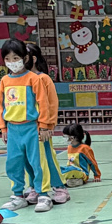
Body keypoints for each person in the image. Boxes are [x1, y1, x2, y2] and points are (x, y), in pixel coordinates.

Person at [0, 39, 55, 213]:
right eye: (8, 59)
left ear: (26, 58)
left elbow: (43, 103)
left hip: (31, 128)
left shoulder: (34, 79)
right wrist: (3, 127)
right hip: (13, 129)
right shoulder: (4, 80)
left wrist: (44, 125)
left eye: (16, 58)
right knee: (14, 162)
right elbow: (1, 105)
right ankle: (17, 195)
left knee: (38, 162)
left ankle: (43, 194)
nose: (12, 62)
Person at [23, 43, 70, 204]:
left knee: (47, 157)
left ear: (33, 59)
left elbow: (51, 104)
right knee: (29, 159)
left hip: (41, 128)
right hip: (25, 128)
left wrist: (48, 126)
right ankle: (35, 187)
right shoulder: (21, 80)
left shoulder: (43, 78)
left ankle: (60, 187)